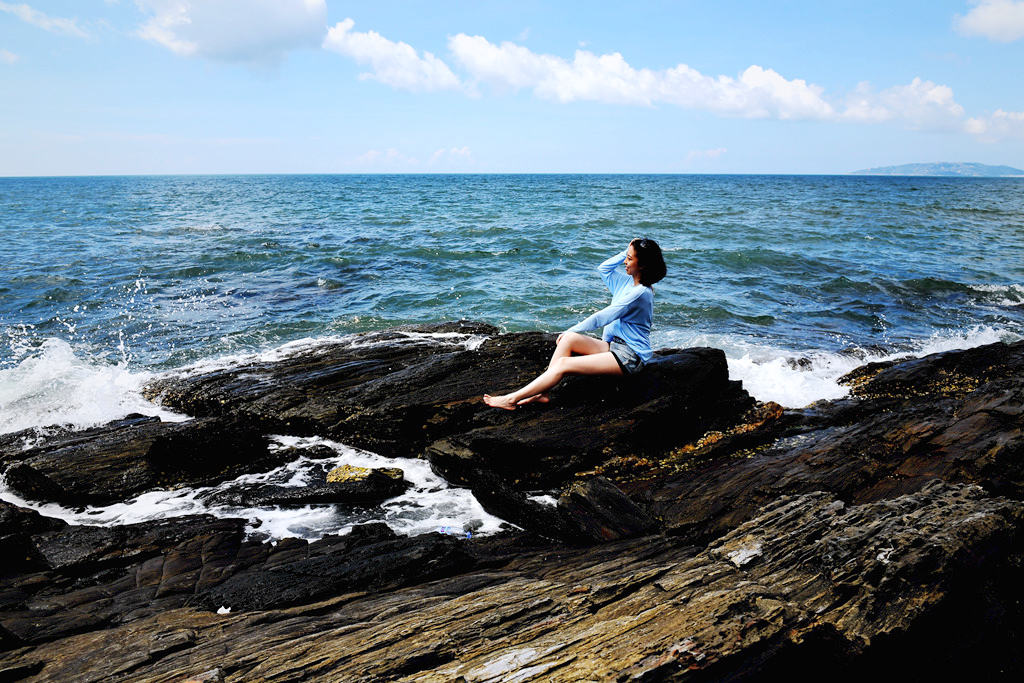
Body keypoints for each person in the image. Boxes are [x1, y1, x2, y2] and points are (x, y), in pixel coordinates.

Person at [483, 237, 667, 410]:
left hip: (629, 357)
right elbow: (604, 269)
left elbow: (601, 317)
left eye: (629, 259)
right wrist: (625, 251)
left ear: (642, 265)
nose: (625, 262)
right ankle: (543, 392)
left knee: (563, 363)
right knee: (569, 339)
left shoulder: (640, 293)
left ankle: (511, 399)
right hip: (614, 347)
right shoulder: (627, 283)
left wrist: (571, 328)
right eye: (626, 258)